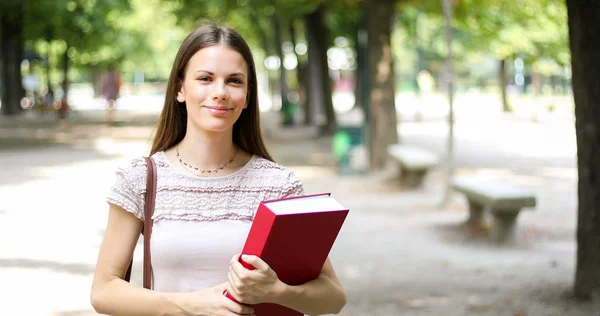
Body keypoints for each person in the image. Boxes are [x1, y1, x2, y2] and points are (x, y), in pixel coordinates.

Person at [91, 24, 347, 316]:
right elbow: (103, 291)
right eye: (205, 78)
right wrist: (190, 306)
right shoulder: (141, 179)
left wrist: (276, 291)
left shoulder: (277, 184)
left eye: (234, 81)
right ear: (179, 89)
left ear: (248, 96)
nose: (220, 92)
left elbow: (333, 297)